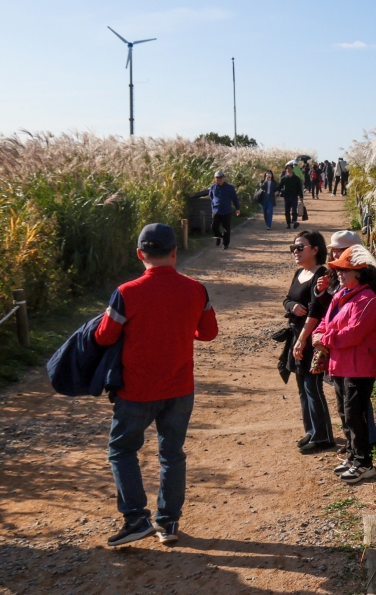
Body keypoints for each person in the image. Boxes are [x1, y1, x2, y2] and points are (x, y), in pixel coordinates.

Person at [97, 223, 219, 547]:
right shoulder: (196, 290)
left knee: (122, 449)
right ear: (175, 253)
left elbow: (104, 336)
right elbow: (208, 333)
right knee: (172, 454)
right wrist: (184, 332)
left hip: (136, 390)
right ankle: (168, 523)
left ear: (140, 254)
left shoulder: (126, 293)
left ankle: (136, 518)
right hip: (180, 388)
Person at [315, 244, 376, 483]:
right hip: (341, 364)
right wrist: (319, 334)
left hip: (360, 367)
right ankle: (355, 456)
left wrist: (324, 339)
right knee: (345, 413)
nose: (340, 273)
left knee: (356, 414)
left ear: (359, 272)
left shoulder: (368, 299)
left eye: (345, 270)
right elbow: (326, 321)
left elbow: (355, 333)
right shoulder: (341, 296)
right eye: (339, 270)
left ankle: (365, 463)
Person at [284, 230, 335, 454]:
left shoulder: (321, 274)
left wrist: (303, 339)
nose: (295, 251)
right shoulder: (299, 273)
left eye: (300, 247)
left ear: (315, 250)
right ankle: (312, 430)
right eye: (293, 248)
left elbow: (316, 310)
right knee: (302, 387)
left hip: (312, 338)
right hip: (296, 334)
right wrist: (291, 307)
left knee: (313, 387)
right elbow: (287, 299)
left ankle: (324, 436)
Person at [208, 171, 241, 249]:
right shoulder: (213, 187)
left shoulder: (230, 187)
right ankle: (219, 237)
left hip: (226, 211)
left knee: (226, 228)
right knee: (214, 227)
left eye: (220, 178)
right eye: (217, 178)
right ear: (215, 179)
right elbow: (211, 196)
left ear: (223, 178)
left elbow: (235, 199)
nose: (218, 179)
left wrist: (237, 208)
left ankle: (225, 244)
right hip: (216, 211)